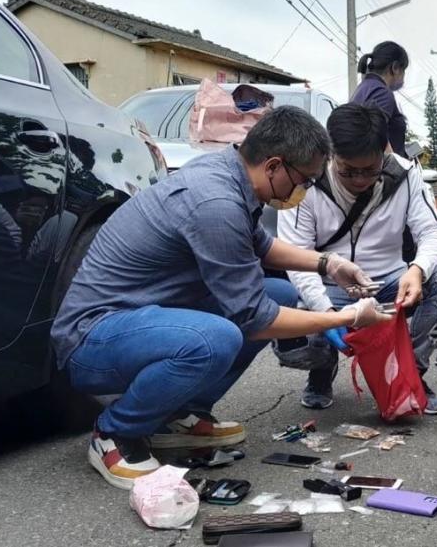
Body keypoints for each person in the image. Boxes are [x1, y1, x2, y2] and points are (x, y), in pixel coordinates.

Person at [51, 106, 387, 489]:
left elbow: (261, 245)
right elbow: (256, 320)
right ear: (275, 165)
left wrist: (329, 264)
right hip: (93, 338)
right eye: (305, 180)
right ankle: (115, 432)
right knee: (218, 338)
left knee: (277, 290)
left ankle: (179, 414)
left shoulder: (229, 174)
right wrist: (345, 317)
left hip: (138, 317)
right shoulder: (215, 203)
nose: (304, 191)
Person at [277, 103, 437, 414]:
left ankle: (410, 373)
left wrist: (417, 270)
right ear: (330, 155)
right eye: (347, 170)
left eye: (370, 170)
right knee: (287, 331)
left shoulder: (406, 175)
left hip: (389, 285)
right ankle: (321, 368)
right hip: (326, 287)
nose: (359, 180)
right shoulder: (307, 181)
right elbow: (295, 253)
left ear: (385, 153)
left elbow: (433, 231)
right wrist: (324, 311)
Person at [352, 41, 409, 158]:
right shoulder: (382, 92)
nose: (404, 77)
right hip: (381, 172)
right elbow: (374, 135)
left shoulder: (364, 87)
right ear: (395, 68)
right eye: (404, 70)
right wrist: (395, 167)